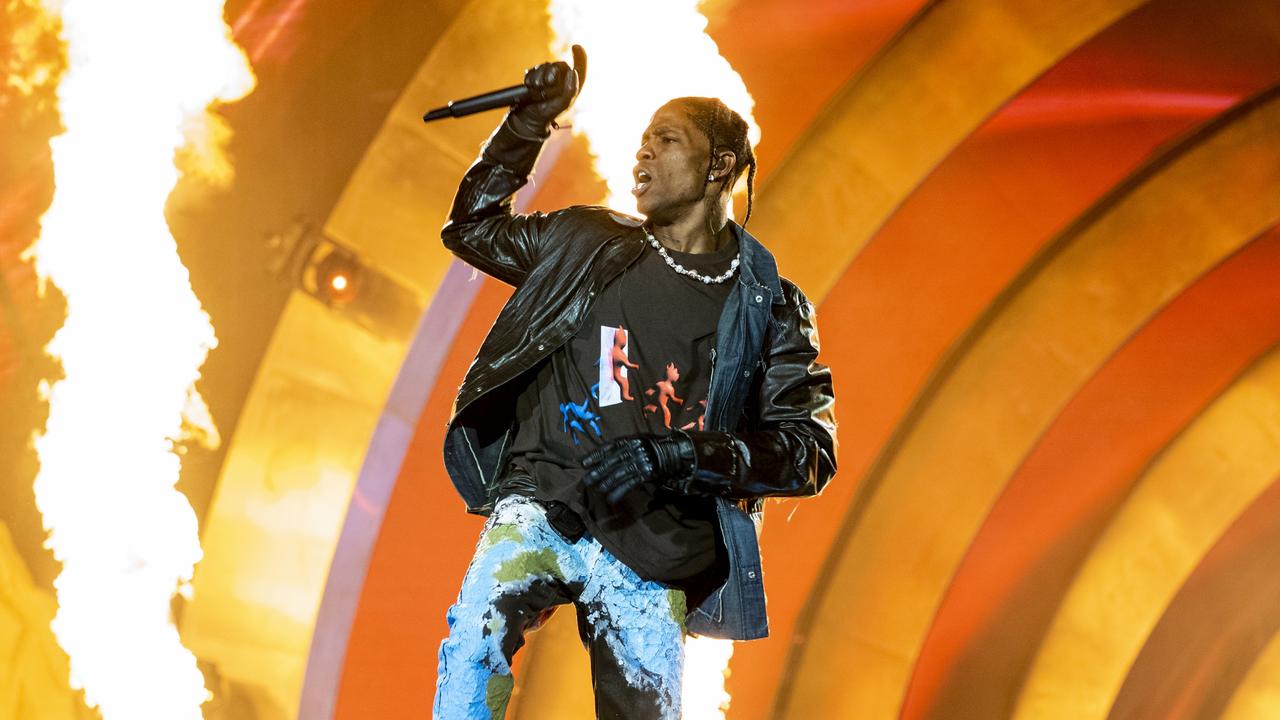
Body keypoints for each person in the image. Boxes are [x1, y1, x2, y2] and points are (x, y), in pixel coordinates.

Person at [432, 52, 837, 720]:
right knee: (474, 644)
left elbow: (806, 450)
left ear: (721, 166)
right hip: (542, 499)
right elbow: (473, 226)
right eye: (642, 140)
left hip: (652, 543)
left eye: (667, 139)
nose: (642, 153)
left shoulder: (768, 305)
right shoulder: (584, 240)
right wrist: (528, 122)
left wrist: (683, 456)